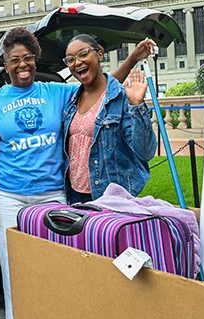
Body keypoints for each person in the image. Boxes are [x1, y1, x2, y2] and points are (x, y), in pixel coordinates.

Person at [0, 27, 155, 319]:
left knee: (59, 272)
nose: (22, 65)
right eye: (14, 60)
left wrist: (132, 58)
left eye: (28, 58)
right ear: (5, 66)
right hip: (10, 197)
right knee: (14, 275)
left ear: (36, 60)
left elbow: (101, 90)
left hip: (53, 197)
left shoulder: (56, 92)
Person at [62, 33, 157, 203]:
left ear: (99, 54)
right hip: (75, 195)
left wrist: (136, 105)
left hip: (110, 196)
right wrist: (133, 57)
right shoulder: (71, 101)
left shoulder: (121, 97)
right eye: (70, 59)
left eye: (83, 54)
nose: (77, 62)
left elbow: (145, 152)